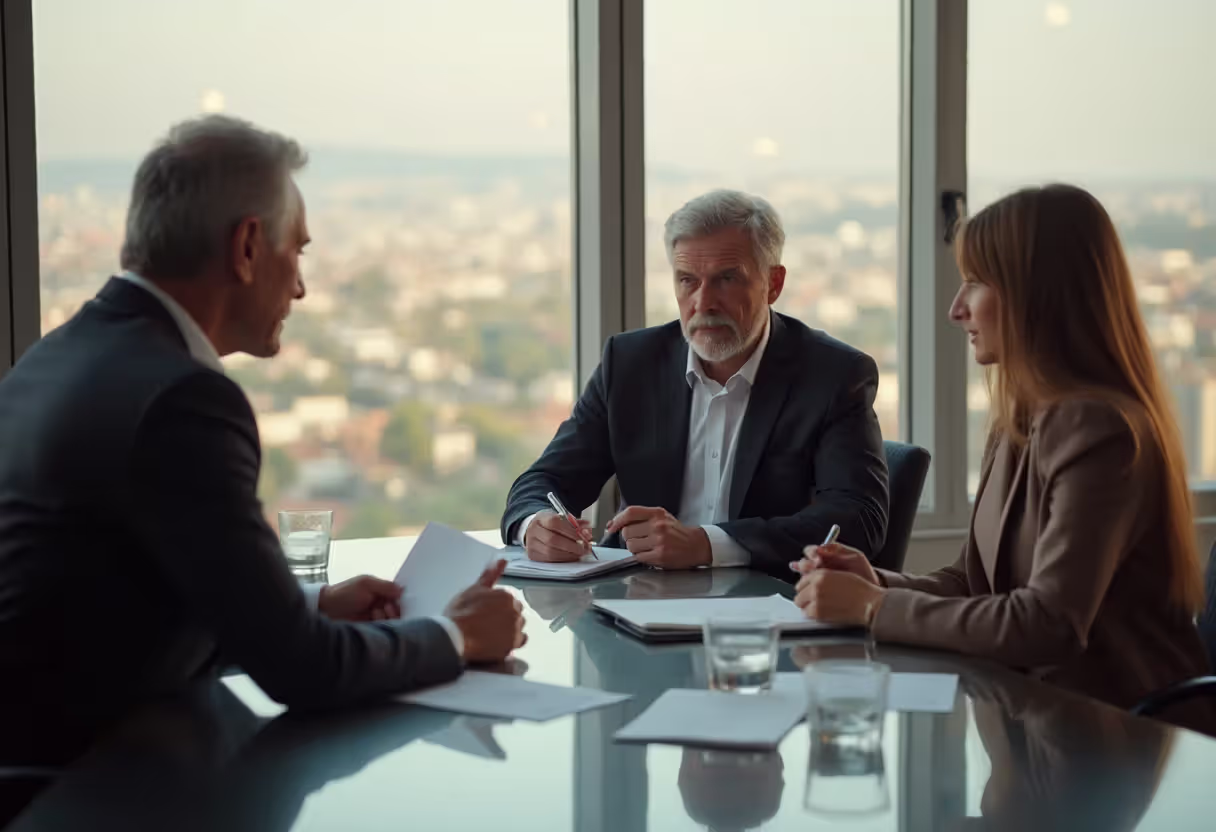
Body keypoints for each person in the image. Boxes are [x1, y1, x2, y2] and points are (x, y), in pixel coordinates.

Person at [0, 115, 525, 766]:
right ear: (248, 246)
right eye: (297, 250)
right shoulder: (182, 398)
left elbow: (127, 601)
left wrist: (310, 606)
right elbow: (304, 673)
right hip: (95, 785)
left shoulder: (56, 356)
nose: (301, 285)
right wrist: (455, 635)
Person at [790, 184, 1213, 730]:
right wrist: (875, 582)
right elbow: (976, 580)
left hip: (1114, 740)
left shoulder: (1098, 428)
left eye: (974, 282)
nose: (955, 309)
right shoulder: (1020, 420)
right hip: (1030, 729)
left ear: (1037, 296)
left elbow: (1048, 623)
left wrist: (872, 609)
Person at [501, 189, 889, 578]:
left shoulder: (833, 375)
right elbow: (545, 479)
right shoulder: (630, 363)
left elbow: (858, 520)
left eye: (727, 279)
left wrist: (706, 543)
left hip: (765, 613)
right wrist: (535, 524)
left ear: (773, 283)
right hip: (634, 603)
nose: (704, 303)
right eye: (688, 280)